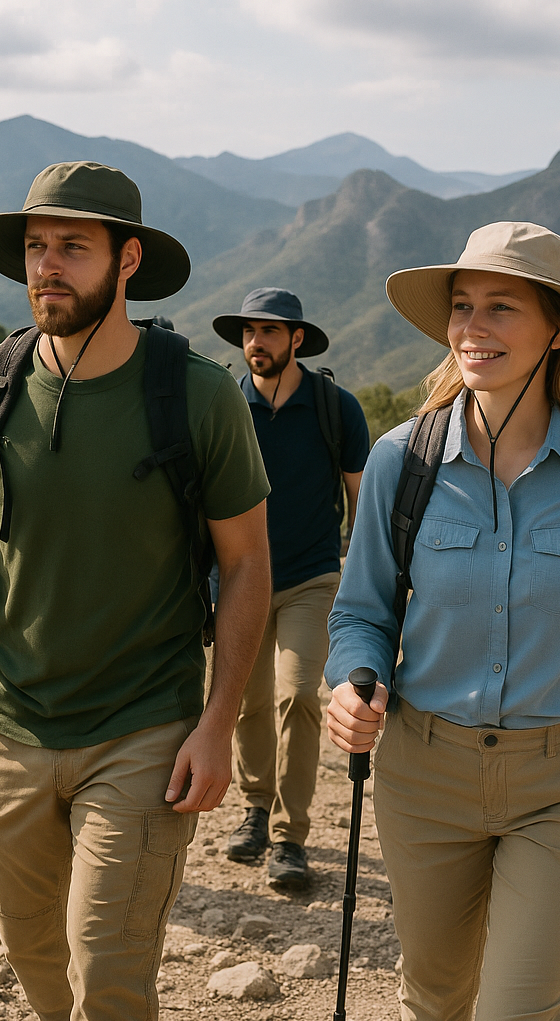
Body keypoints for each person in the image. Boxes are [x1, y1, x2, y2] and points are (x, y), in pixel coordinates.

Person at [0, 161, 272, 1021]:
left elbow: (245, 565)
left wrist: (217, 723)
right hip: (7, 724)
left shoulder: (194, 396)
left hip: (144, 726)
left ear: (127, 261)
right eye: (36, 247)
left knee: (109, 976)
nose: (46, 266)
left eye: (72, 248)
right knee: (37, 961)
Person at [324, 221, 560, 1021]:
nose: (473, 327)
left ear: (558, 329)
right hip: (422, 778)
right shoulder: (403, 459)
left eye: (503, 306)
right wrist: (352, 682)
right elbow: (361, 611)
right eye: (464, 306)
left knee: (519, 1011)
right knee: (436, 996)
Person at [212, 288, 370, 888]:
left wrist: (367, 576)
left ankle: (290, 836)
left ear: (296, 340)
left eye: (270, 332)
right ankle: (254, 808)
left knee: (299, 695)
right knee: (247, 702)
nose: (256, 343)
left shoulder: (336, 408)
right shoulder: (225, 404)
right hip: (234, 578)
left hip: (311, 576)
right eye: (249, 332)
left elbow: (361, 498)